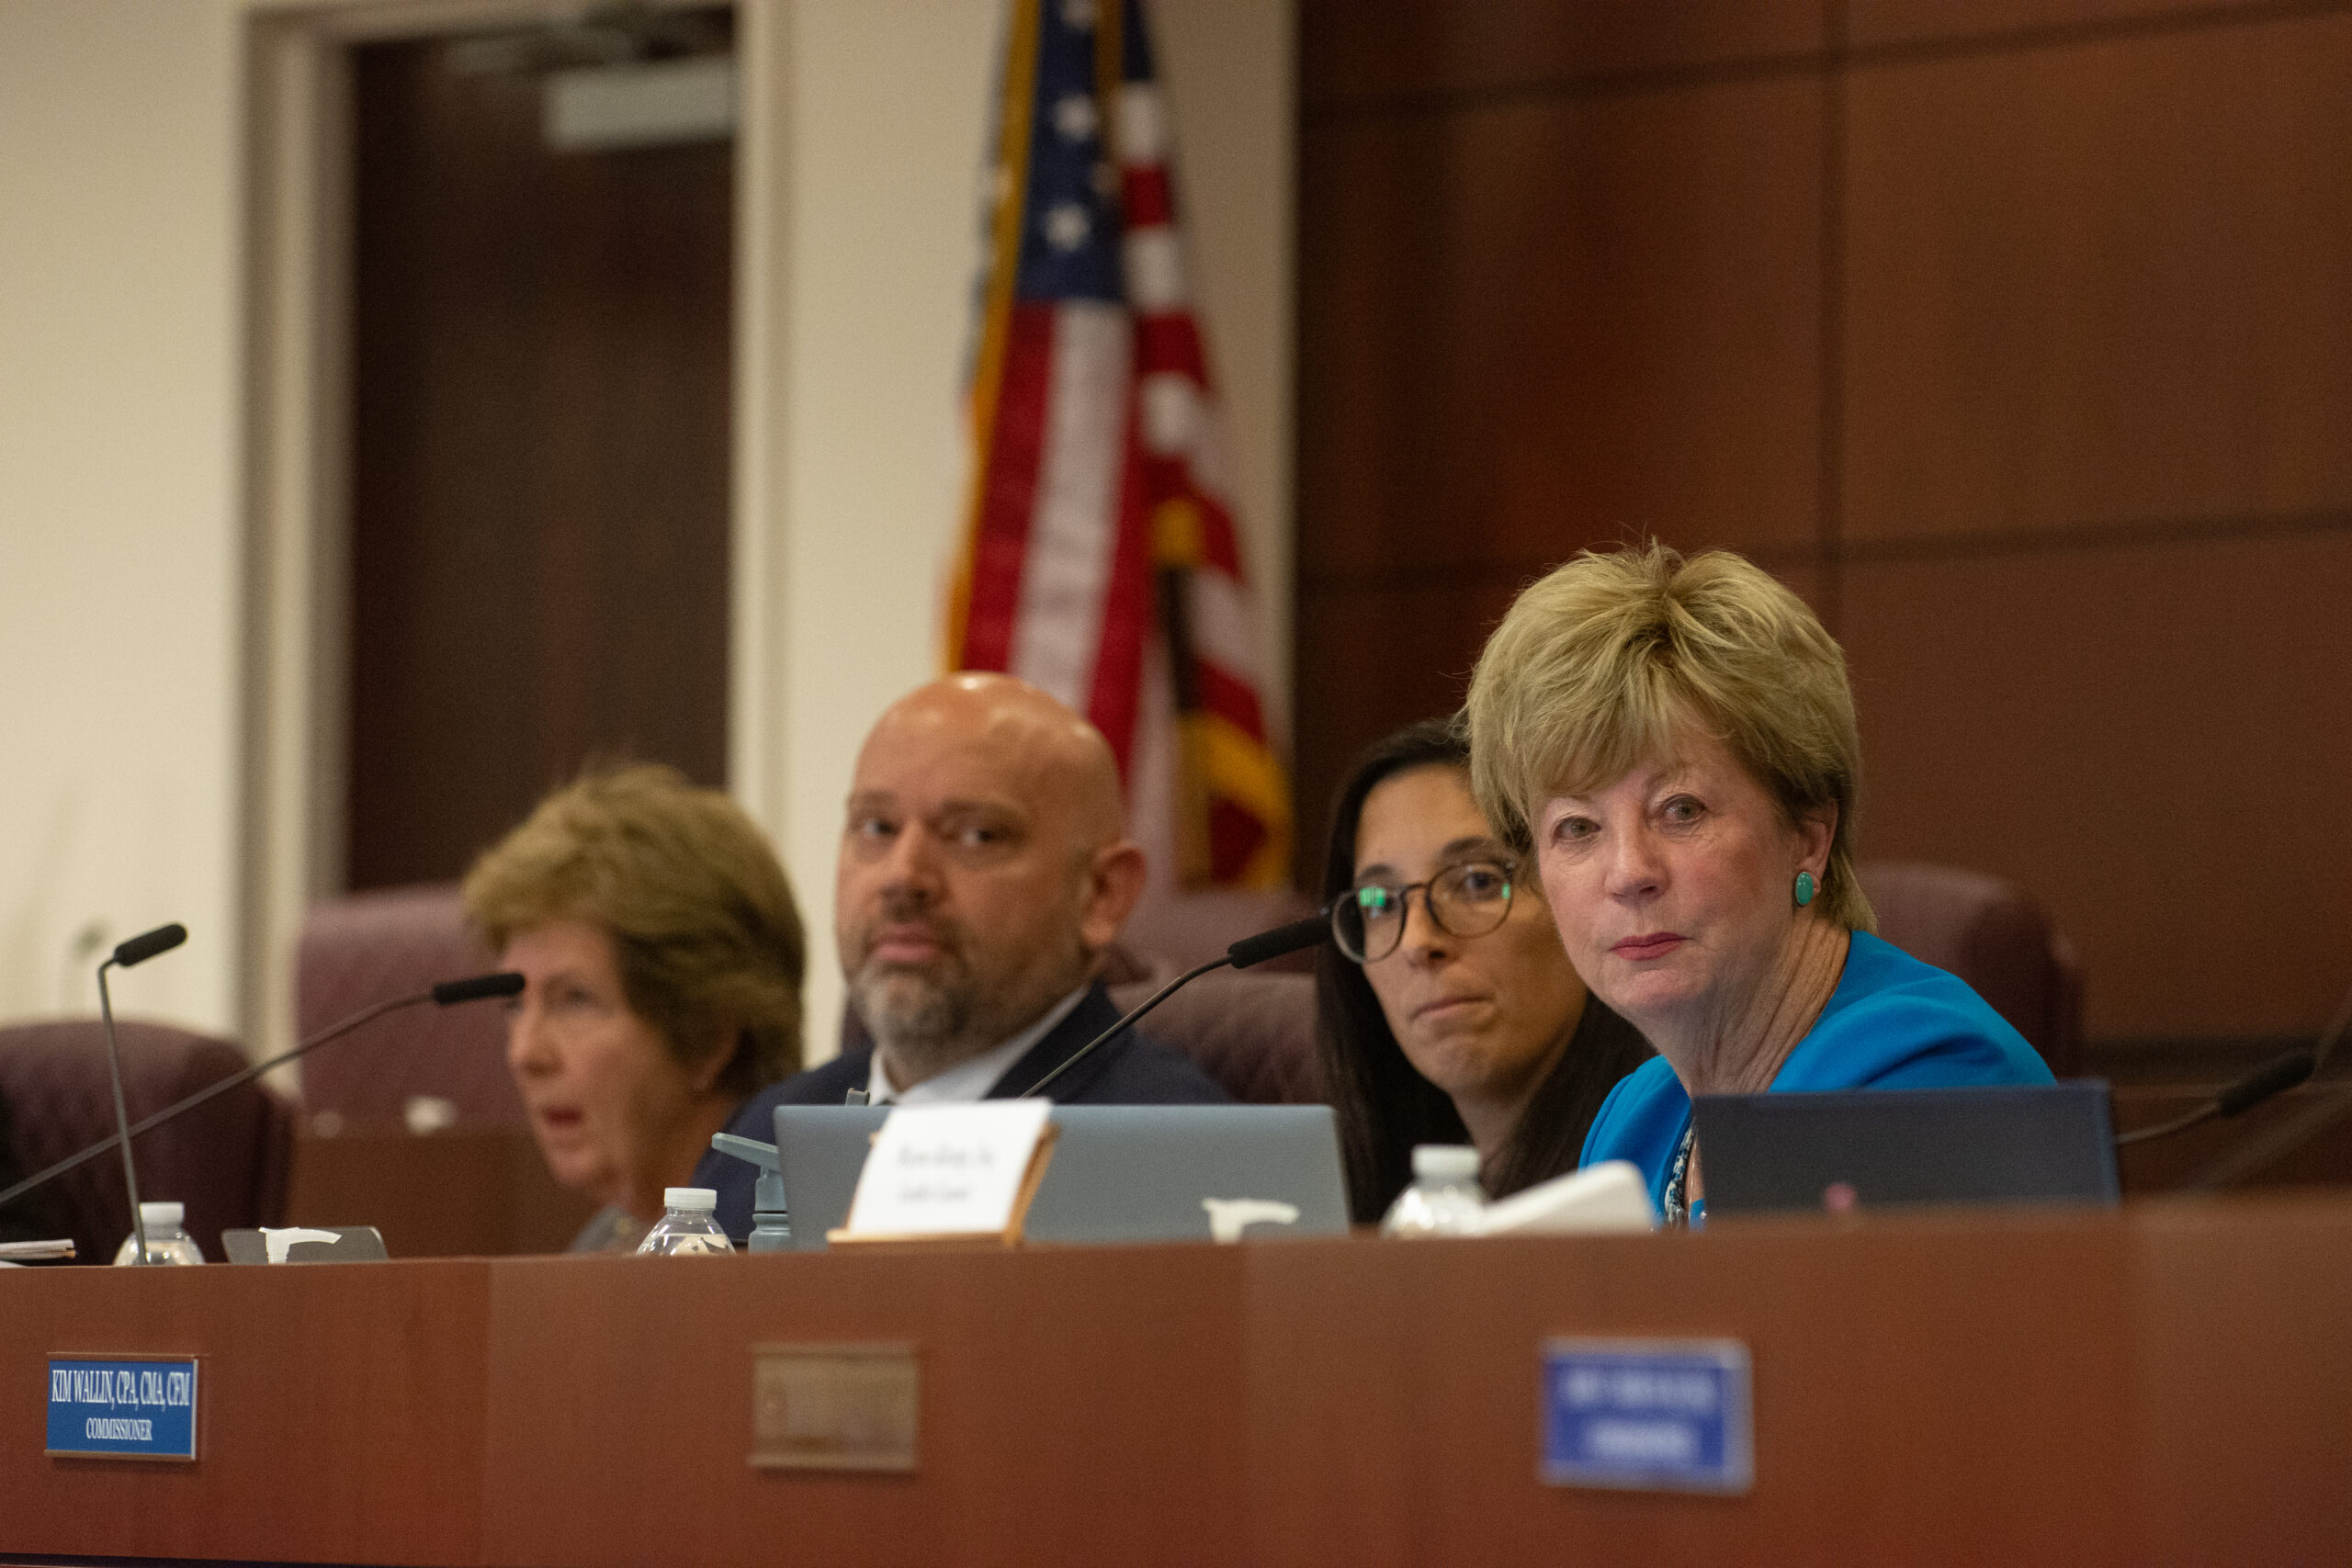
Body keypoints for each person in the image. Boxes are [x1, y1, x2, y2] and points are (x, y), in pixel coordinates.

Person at [1464, 543, 2052, 1225]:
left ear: (1807, 837)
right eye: (1577, 828)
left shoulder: (1930, 1082)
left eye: (1680, 810)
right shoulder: (1635, 1123)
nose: (1629, 873)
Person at [695, 673, 1231, 1239]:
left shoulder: (1182, 1160)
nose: (904, 876)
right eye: (877, 826)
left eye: (976, 835)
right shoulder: (766, 1133)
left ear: (1100, 894)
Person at [1317, 718, 1652, 1224]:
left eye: (1477, 881)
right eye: (1379, 902)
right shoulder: (1365, 1195)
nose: (1417, 943)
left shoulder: (1668, 1164)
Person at [463, 763, 807, 1252]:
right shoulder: (605, 1242)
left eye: (574, 1000)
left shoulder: (790, 1253)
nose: (525, 1054)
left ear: (707, 1036)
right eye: (516, 1005)